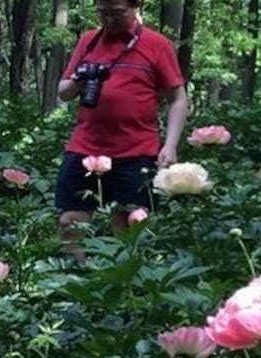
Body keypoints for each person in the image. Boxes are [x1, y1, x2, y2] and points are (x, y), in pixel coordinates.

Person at [53, 0, 190, 260]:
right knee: (70, 220)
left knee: (129, 224)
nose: (109, 19)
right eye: (102, 13)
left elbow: (178, 98)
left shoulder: (157, 44)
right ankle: (76, 275)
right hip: (85, 148)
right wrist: (80, 81)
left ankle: (126, 278)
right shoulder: (89, 41)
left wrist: (170, 145)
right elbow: (64, 92)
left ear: (136, 6)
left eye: (117, 12)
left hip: (136, 152)